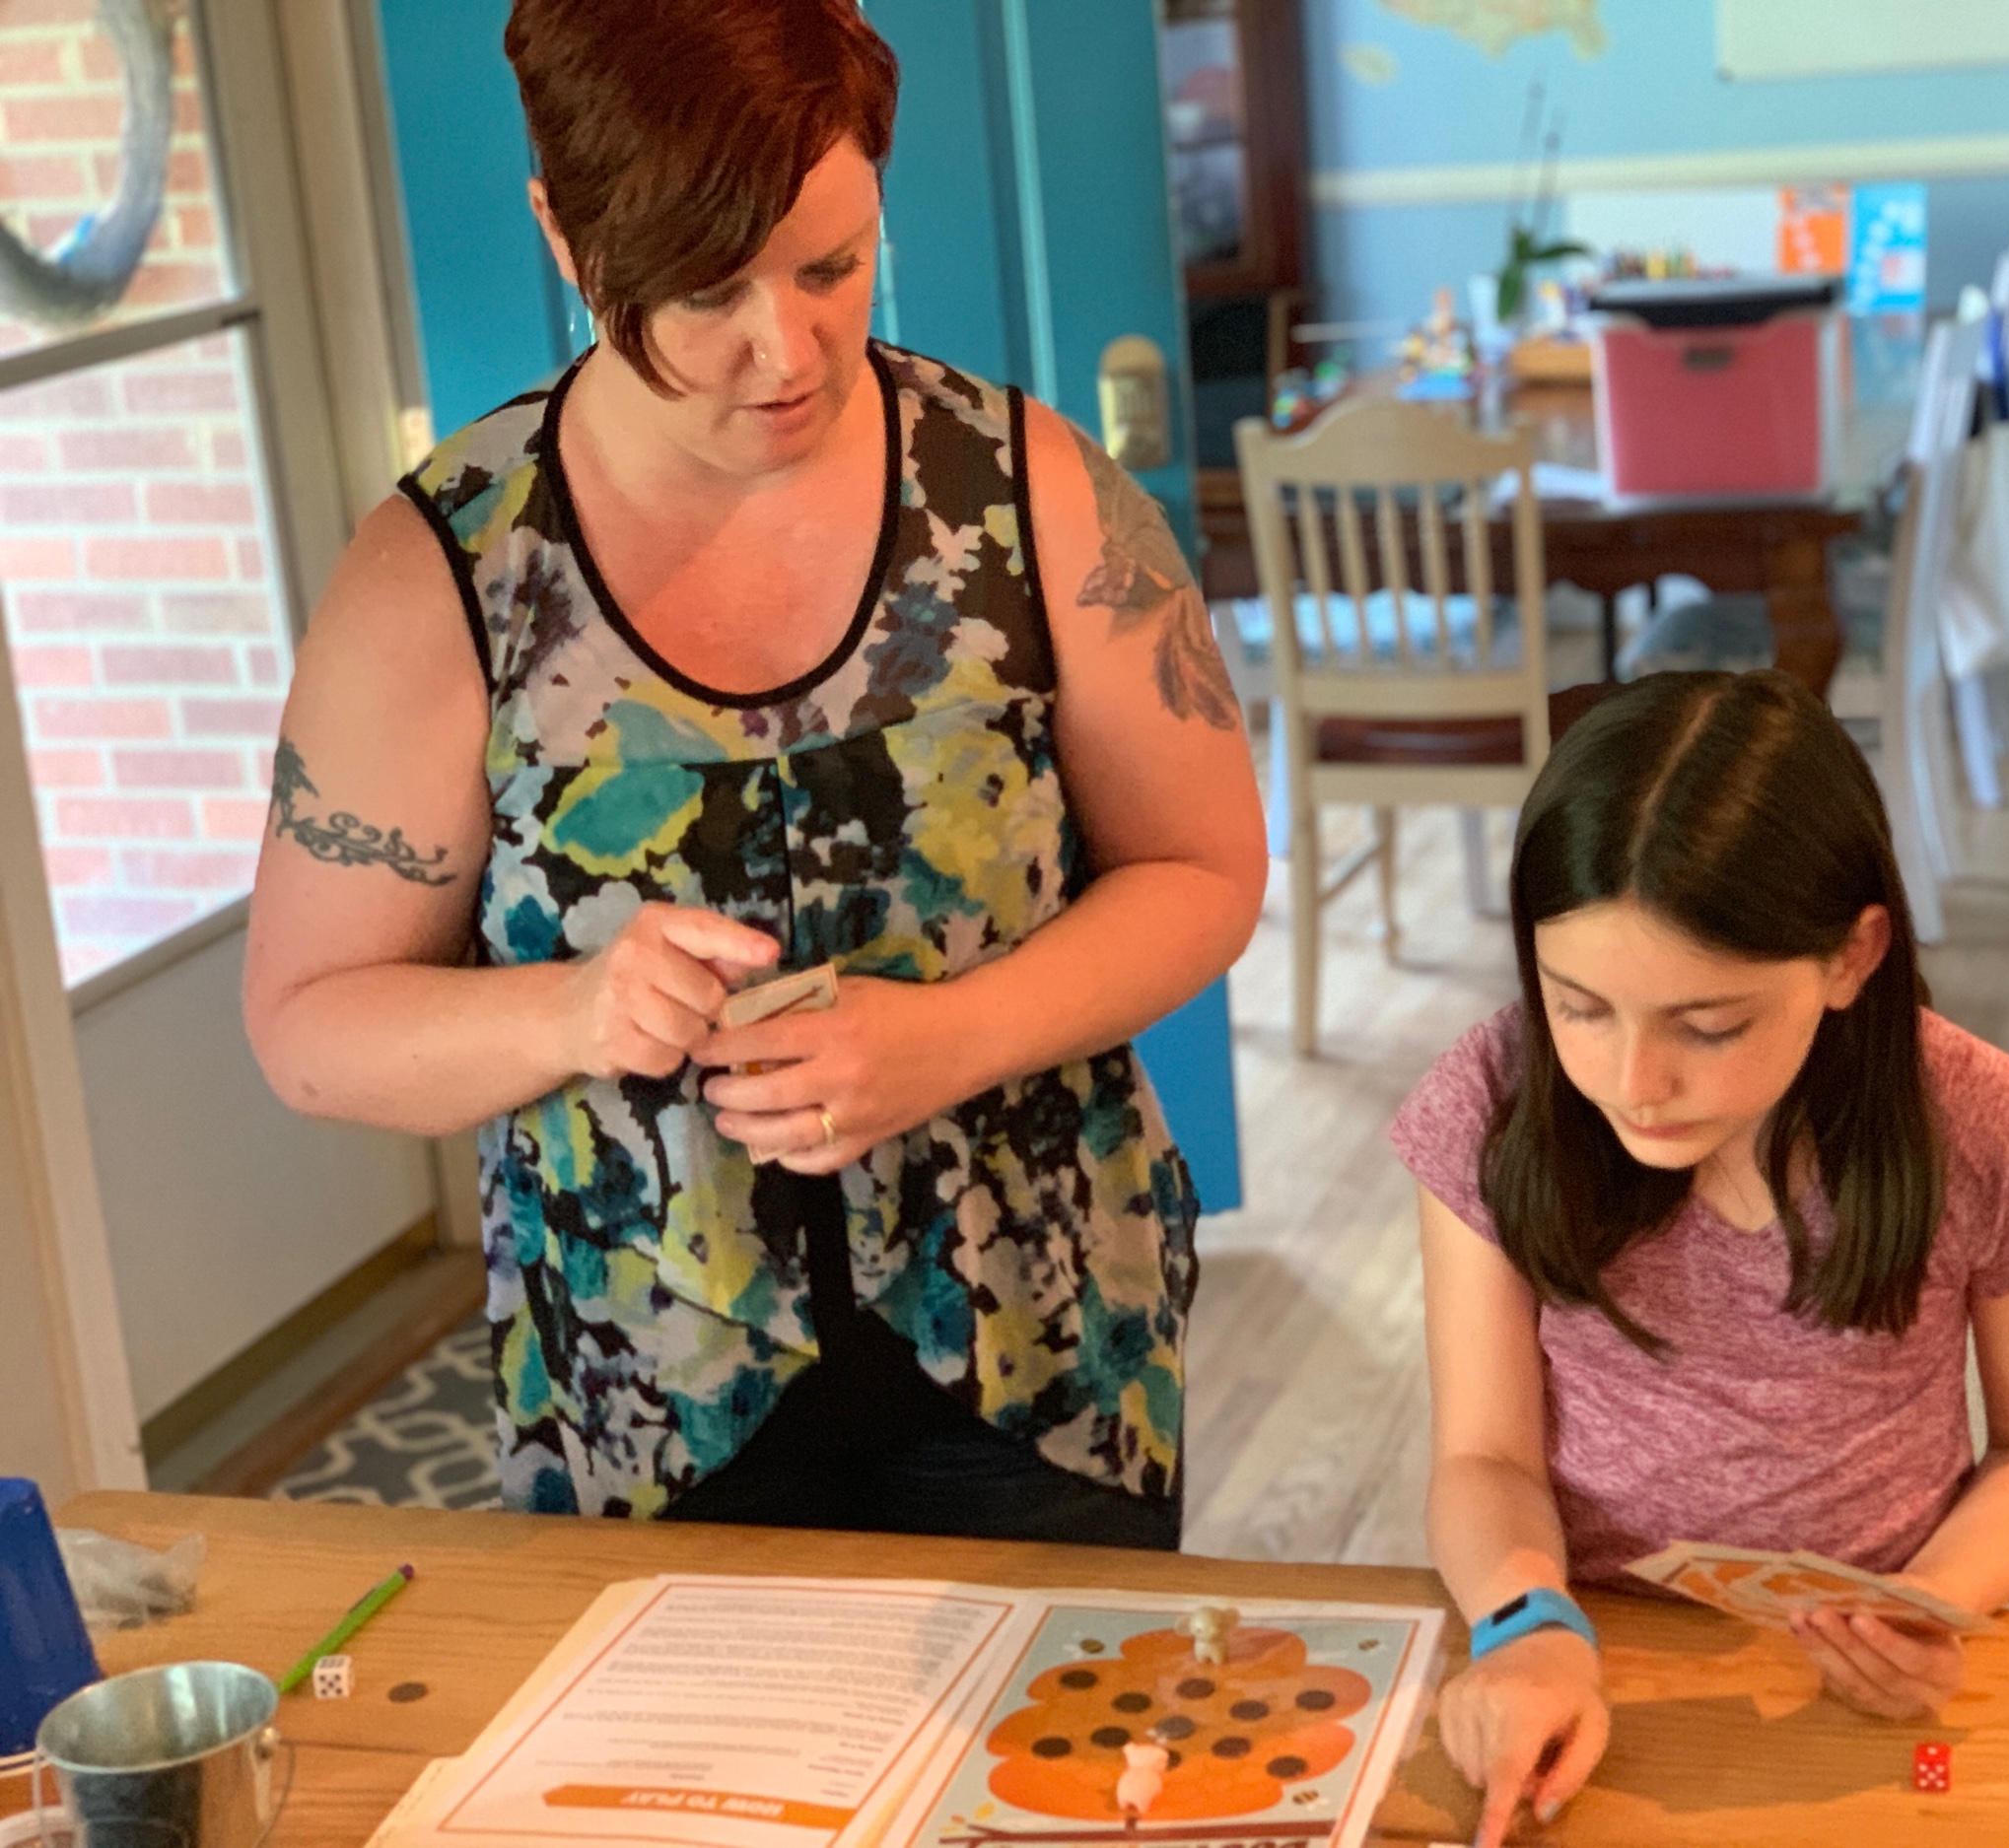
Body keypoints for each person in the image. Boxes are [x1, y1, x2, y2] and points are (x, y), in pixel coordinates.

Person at [242, 0, 1265, 1548]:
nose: (784, 349)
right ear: (566, 237)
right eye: (704, 288)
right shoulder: (442, 572)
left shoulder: (1031, 487)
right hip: (642, 1402)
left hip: (1047, 1351)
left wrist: (949, 1036)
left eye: (832, 265)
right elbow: (310, 1028)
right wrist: (573, 1008)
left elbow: (1203, 869)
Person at [1391, 672, 2009, 1844]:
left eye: (1709, 1025)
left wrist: (1931, 1608)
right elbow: (1482, 1452)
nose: (1634, 1083)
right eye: (1577, 1005)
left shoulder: (1992, 1133)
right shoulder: (1494, 1097)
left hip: (1881, 1651)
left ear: (1851, 955)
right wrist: (1526, 1625)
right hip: (1572, 1629)